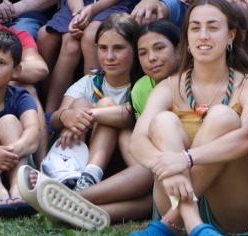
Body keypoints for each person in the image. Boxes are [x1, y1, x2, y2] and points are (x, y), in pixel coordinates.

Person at [125, 0, 248, 236]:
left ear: (231, 36)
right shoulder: (168, 86)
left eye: (213, 27)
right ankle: (192, 223)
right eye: (195, 28)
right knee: (162, 121)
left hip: (234, 204)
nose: (203, 36)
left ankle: (170, 223)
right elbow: (137, 142)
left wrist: (185, 159)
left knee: (223, 117)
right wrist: (168, 165)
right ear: (187, 38)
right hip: (175, 195)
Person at [70, 19, 180, 224]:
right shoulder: (141, 88)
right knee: (150, 173)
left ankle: (75, 199)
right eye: (144, 53)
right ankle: (77, 210)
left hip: (182, 166)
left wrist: (89, 115)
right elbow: (141, 133)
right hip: (153, 170)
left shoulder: (188, 83)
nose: (152, 58)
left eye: (159, 48)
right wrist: (69, 116)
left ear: (179, 50)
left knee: (152, 172)